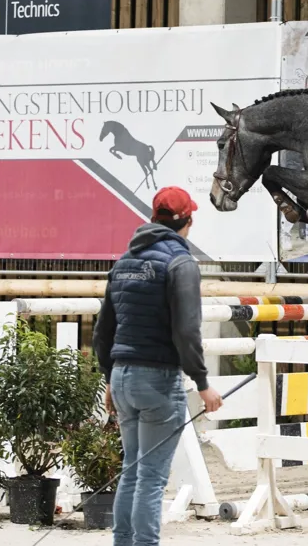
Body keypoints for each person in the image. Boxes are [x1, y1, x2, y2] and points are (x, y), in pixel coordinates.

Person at [93, 185, 223, 546]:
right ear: (187, 220)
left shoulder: (124, 262)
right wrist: (202, 383)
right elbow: (187, 330)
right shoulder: (181, 263)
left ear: (154, 218)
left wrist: (109, 379)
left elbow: (103, 330)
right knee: (150, 477)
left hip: (122, 376)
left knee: (131, 471)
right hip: (158, 380)